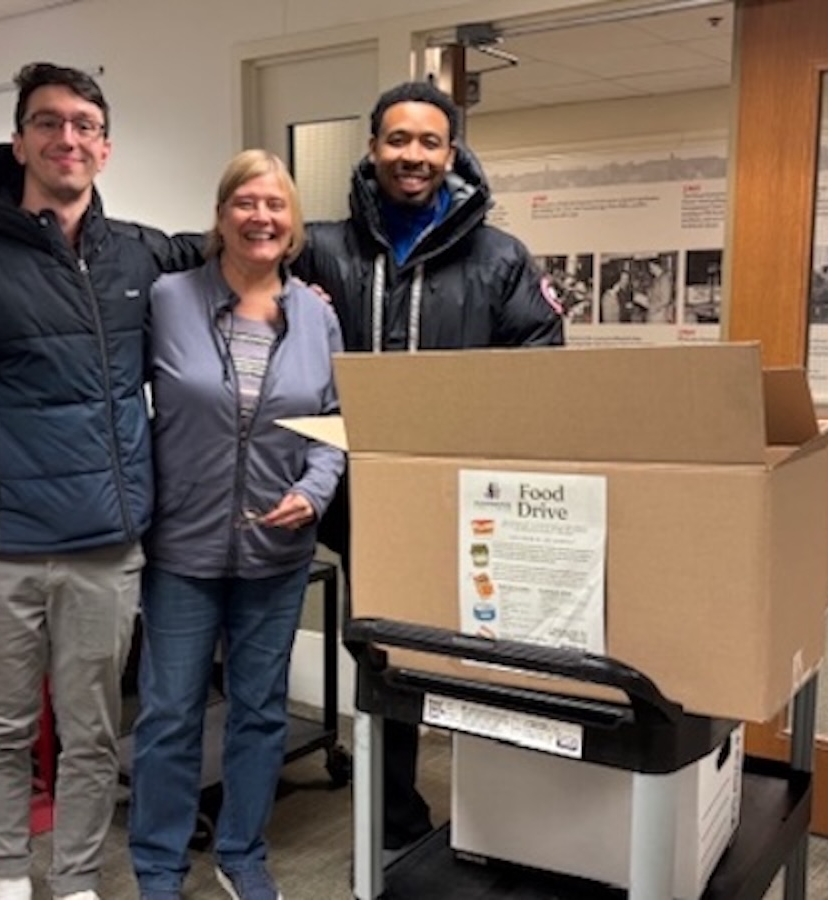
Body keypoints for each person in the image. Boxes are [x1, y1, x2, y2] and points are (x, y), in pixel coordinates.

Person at [0, 62, 179, 900]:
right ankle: (10, 875)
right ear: (20, 142)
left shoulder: (139, 252)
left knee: (92, 735)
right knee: (4, 730)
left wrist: (286, 277)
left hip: (105, 550)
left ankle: (77, 877)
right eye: (49, 123)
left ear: (106, 148)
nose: (67, 138)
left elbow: (229, 250)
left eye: (84, 124)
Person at [293, 79, 565, 850]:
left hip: (465, 496)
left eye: (428, 142)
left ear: (452, 154)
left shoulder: (501, 257)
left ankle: (500, 817)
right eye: (397, 140)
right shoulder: (322, 248)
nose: (412, 156)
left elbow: (540, 367)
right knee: (380, 654)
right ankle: (393, 818)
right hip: (361, 498)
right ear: (373, 147)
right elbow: (239, 277)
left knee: (478, 651)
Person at [128, 149, 345, 900]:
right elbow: (125, 409)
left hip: (278, 549)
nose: (262, 217)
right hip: (181, 547)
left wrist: (315, 494)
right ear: (220, 217)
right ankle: (157, 864)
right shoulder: (166, 300)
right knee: (170, 714)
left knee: (259, 711)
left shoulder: (317, 315)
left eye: (276, 205)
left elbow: (337, 425)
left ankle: (242, 852)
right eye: (246, 203)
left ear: (293, 225)